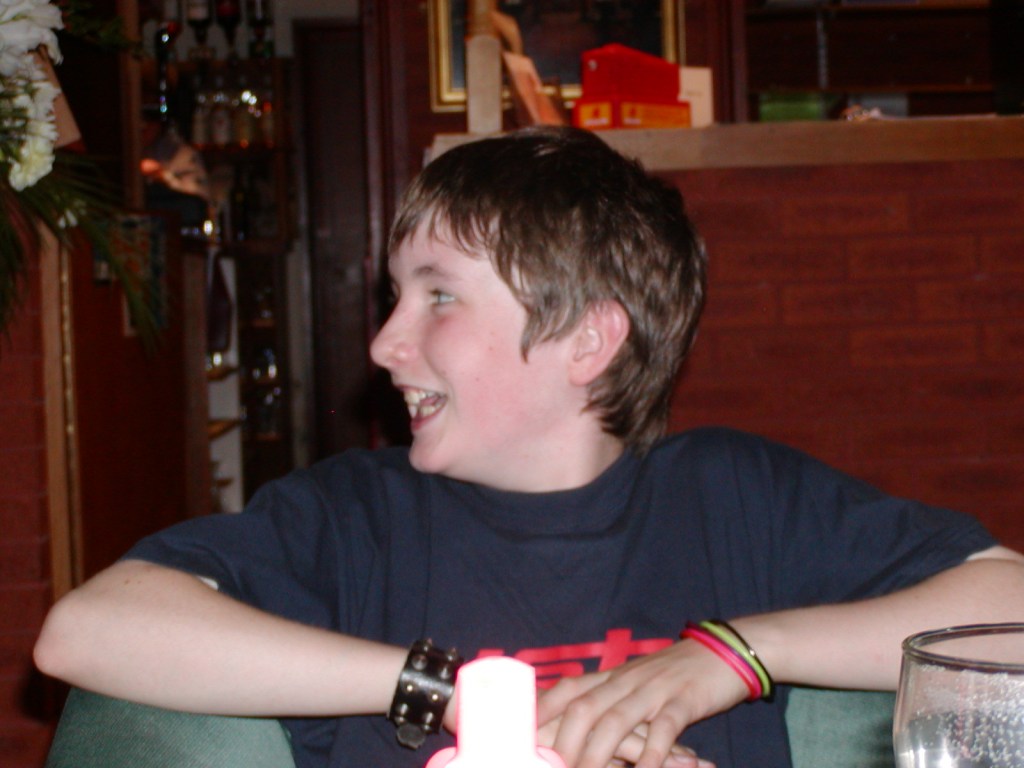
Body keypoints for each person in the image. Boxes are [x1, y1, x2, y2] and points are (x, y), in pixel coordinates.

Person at [34, 125, 1024, 768]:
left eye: (439, 296)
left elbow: (1007, 608)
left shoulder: (733, 494)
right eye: (394, 295)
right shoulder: (351, 517)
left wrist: (732, 657)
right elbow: (87, 630)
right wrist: (444, 692)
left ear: (586, 341)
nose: (383, 343)